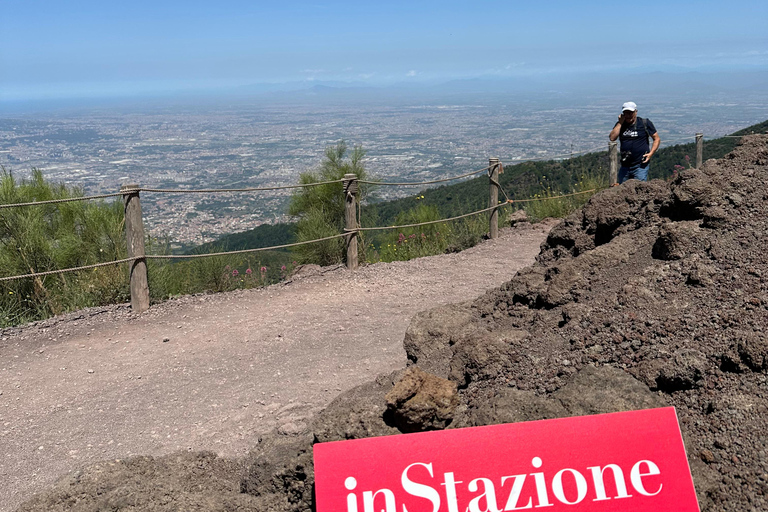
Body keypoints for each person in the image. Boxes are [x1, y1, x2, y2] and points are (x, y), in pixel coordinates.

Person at [609, 101, 661, 183]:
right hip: (625, 165)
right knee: (623, 190)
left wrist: (651, 154)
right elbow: (612, 138)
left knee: (639, 189)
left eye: (630, 113)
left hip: (640, 165)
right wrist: (620, 122)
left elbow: (656, 138)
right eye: (626, 113)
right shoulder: (620, 125)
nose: (628, 115)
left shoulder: (644, 123)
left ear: (636, 112)